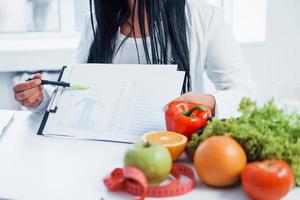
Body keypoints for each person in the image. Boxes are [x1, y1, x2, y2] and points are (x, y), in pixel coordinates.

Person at [13, 0, 258, 119]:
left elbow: (248, 97)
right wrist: (40, 100)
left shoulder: (204, 16)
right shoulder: (95, 22)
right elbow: (78, 94)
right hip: (102, 150)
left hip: (173, 152)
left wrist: (208, 101)